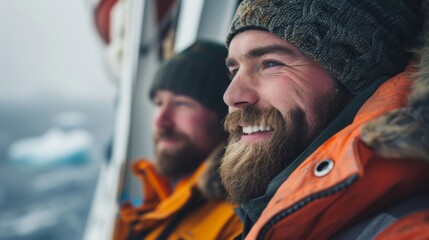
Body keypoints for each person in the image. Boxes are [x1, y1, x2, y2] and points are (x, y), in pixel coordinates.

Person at [220, 0, 429, 239]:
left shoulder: (408, 229)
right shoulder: (266, 215)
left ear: (355, 78)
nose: (231, 96)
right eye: (234, 71)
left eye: (270, 63)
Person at [114, 40, 243, 239]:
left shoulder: (238, 219)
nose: (161, 121)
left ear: (225, 118)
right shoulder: (156, 195)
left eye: (182, 104)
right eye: (158, 103)